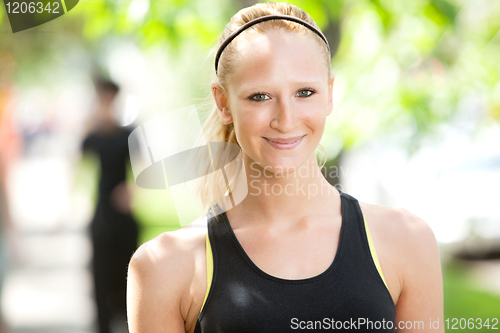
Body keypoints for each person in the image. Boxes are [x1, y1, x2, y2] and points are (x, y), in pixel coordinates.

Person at [127, 2, 444, 333]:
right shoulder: (163, 267)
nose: (286, 120)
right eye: (260, 96)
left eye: (305, 92)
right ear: (224, 103)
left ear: (330, 94)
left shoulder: (407, 242)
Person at [81, 79, 139, 333]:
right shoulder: (92, 135)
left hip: (123, 215)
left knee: (126, 275)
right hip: (101, 214)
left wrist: (133, 190)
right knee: (101, 278)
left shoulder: (128, 134)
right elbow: (80, 165)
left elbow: (142, 170)